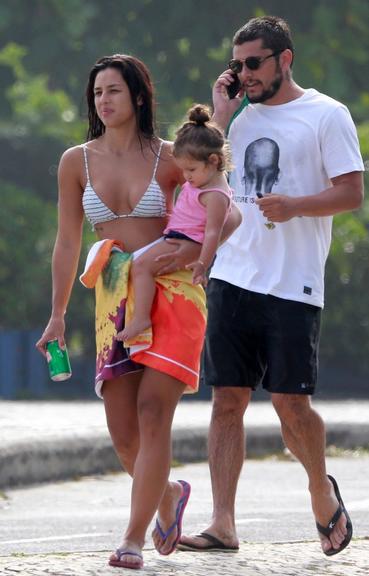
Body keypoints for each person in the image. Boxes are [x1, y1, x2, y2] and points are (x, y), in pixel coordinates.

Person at [35, 54, 241, 570]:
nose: (103, 101)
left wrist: (193, 257)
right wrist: (58, 315)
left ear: (139, 97)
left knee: (154, 414)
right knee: (124, 434)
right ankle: (167, 493)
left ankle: (132, 538)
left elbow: (228, 209)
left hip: (171, 291)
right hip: (111, 294)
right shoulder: (74, 161)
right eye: (97, 93)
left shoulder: (172, 157)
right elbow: (66, 242)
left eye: (114, 91)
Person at [178, 15, 364, 557]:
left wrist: (296, 206)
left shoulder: (327, 115)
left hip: (294, 283)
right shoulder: (235, 120)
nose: (245, 73)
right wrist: (223, 109)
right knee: (226, 400)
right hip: (234, 275)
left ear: (285, 59)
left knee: (290, 404)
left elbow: (351, 192)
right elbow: (197, 174)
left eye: (253, 63)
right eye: (237, 65)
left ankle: (318, 486)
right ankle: (223, 523)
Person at [117, 103, 233, 343]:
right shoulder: (202, 182)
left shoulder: (216, 195)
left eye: (191, 170)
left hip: (185, 240)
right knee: (142, 267)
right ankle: (143, 316)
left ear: (213, 161)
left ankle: (141, 318)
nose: (186, 177)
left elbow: (213, 232)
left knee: (140, 267)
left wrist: (203, 262)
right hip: (176, 237)